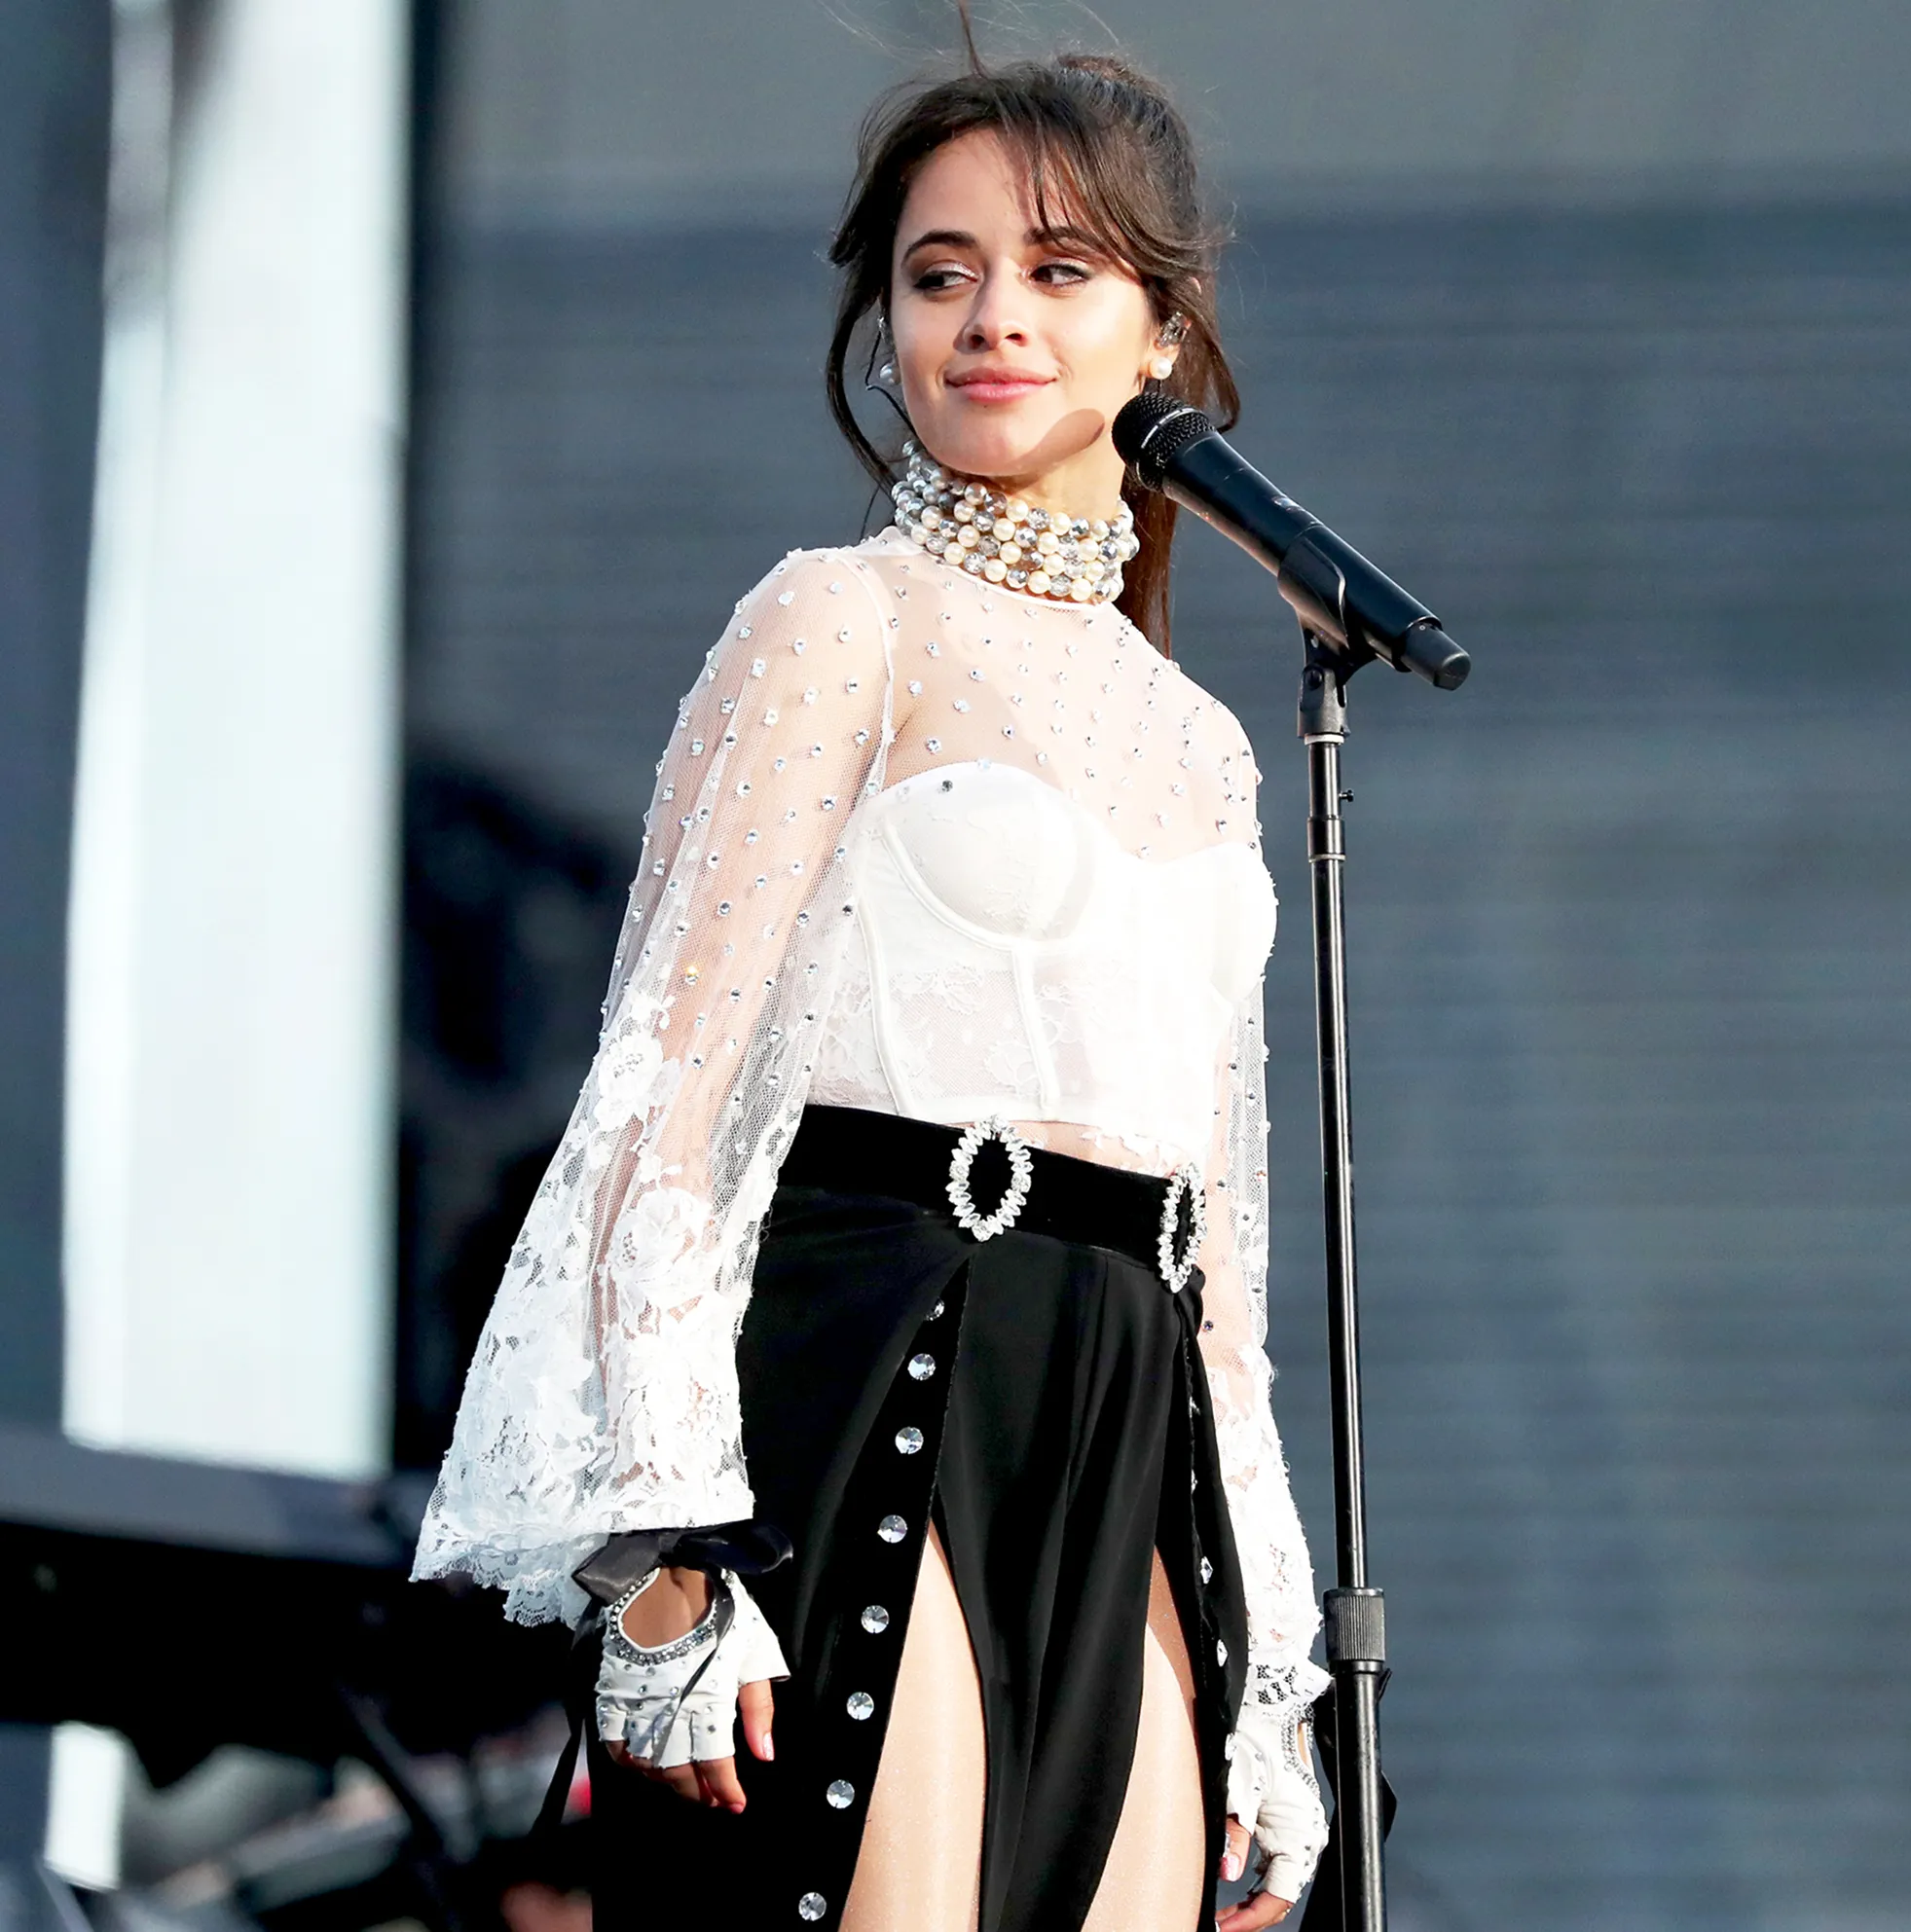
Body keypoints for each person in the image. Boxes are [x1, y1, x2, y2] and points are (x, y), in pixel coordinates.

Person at [414, 47, 1330, 1932]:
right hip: (884, 1341)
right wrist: (657, 1557)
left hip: (1129, 1405)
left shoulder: (1208, 745)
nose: (992, 314)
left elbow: (1223, 1251)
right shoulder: (839, 620)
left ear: (1165, 330)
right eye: (939, 271)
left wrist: (1278, 1685)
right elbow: (658, 1095)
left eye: (1060, 269)